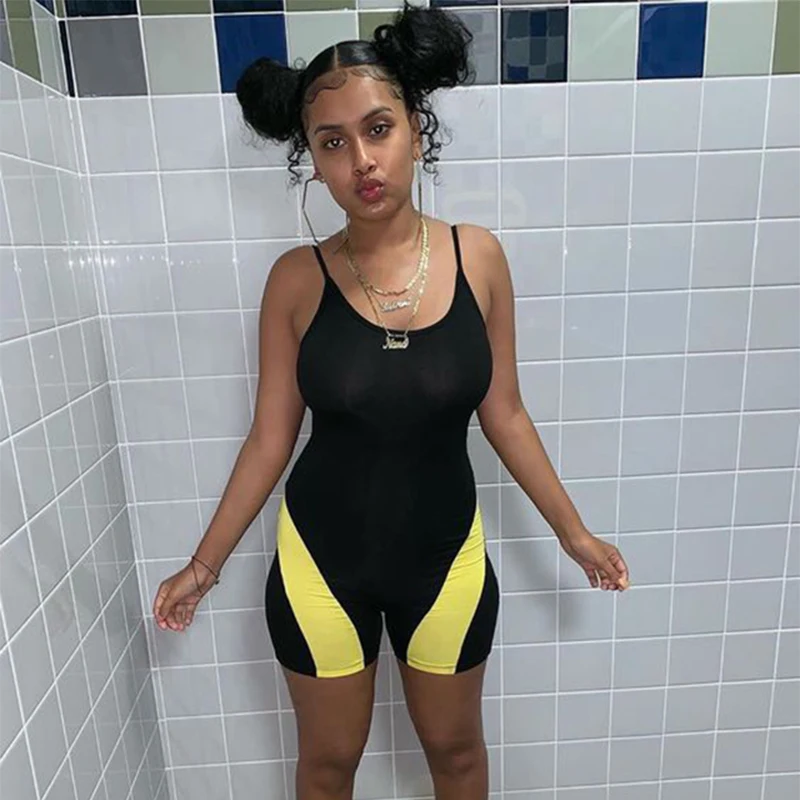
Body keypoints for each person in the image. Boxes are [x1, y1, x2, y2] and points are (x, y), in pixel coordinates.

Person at [152, 3, 630, 799]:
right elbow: (270, 439)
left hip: (445, 562)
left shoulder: (477, 258)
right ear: (313, 160)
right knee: (328, 764)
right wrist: (204, 566)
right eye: (332, 143)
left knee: (458, 755)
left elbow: (505, 411)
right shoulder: (295, 281)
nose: (361, 161)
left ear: (415, 129)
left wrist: (573, 533)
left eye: (378, 129)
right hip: (319, 566)